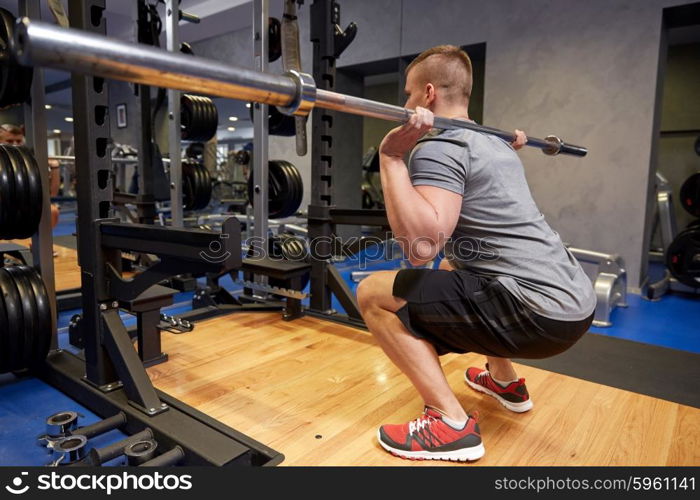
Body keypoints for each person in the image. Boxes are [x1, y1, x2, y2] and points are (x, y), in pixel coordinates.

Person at [355, 45, 596, 462]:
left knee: (373, 293)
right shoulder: (496, 146)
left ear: (428, 94)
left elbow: (420, 249)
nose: (406, 105)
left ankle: (448, 423)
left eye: (409, 95)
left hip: (534, 312)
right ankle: (503, 381)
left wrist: (392, 156)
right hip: (574, 303)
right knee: (456, 263)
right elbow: (445, 251)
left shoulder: (441, 146)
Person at [0, 124, 61, 229]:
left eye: (19, 141)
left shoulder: (28, 163)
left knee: (52, 211)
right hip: (4, 205)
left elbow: (52, 193)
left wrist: (55, 168)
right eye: (9, 141)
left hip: (21, 205)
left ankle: (37, 243)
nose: (15, 145)